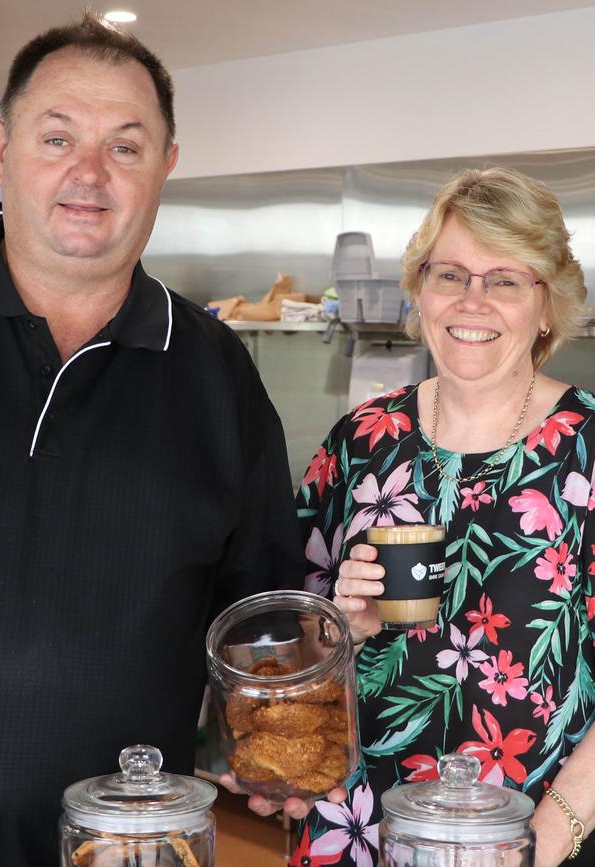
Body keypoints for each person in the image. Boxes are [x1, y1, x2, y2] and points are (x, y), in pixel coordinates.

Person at [0, 13, 303, 866]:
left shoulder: (221, 376)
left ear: (165, 167)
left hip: (129, 845)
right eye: (58, 136)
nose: (89, 174)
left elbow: (261, 618)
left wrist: (271, 742)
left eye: (126, 147)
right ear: (1, 149)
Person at [289, 168, 595, 866]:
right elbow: (294, 650)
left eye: (506, 279)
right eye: (449, 273)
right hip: (356, 828)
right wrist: (345, 630)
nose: (472, 299)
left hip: (528, 836)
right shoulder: (360, 440)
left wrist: (535, 845)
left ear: (547, 306)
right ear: (420, 289)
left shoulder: (587, 449)